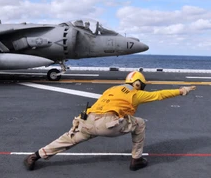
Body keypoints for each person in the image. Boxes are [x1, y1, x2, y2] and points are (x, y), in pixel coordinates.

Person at [24, 71, 196, 171]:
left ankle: (35, 156)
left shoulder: (111, 89)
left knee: (67, 139)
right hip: (108, 124)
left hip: (87, 121)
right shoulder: (135, 93)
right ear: (138, 84)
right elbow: (159, 95)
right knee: (140, 122)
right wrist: (182, 90)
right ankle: (136, 160)